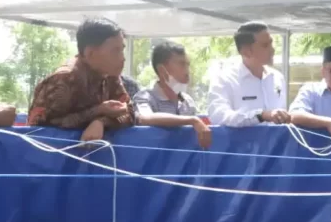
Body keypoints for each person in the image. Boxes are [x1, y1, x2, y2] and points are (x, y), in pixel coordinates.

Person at [28, 18, 211, 147]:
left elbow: (130, 113)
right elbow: (41, 128)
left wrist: (100, 121)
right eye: (115, 51)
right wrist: (97, 112)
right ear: (91, 53)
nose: (122, 59)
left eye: (122, 50)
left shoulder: (110, 76)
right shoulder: (64, 80)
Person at [207, 22, 290, 127]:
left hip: (277, 143)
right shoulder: (224, 80)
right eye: (265, 45)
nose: (272, 49)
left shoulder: (277, 78)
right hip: (239, 143)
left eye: (271, 43)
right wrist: (260, 116)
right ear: (246, 51)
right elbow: (219, 116)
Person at [133, 41, 199, 117]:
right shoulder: (145, 98)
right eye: (181, 64)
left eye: (188, 65)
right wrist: (191, 121)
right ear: (162, 70)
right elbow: (145, 118)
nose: (188, 72)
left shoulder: (187, 101)